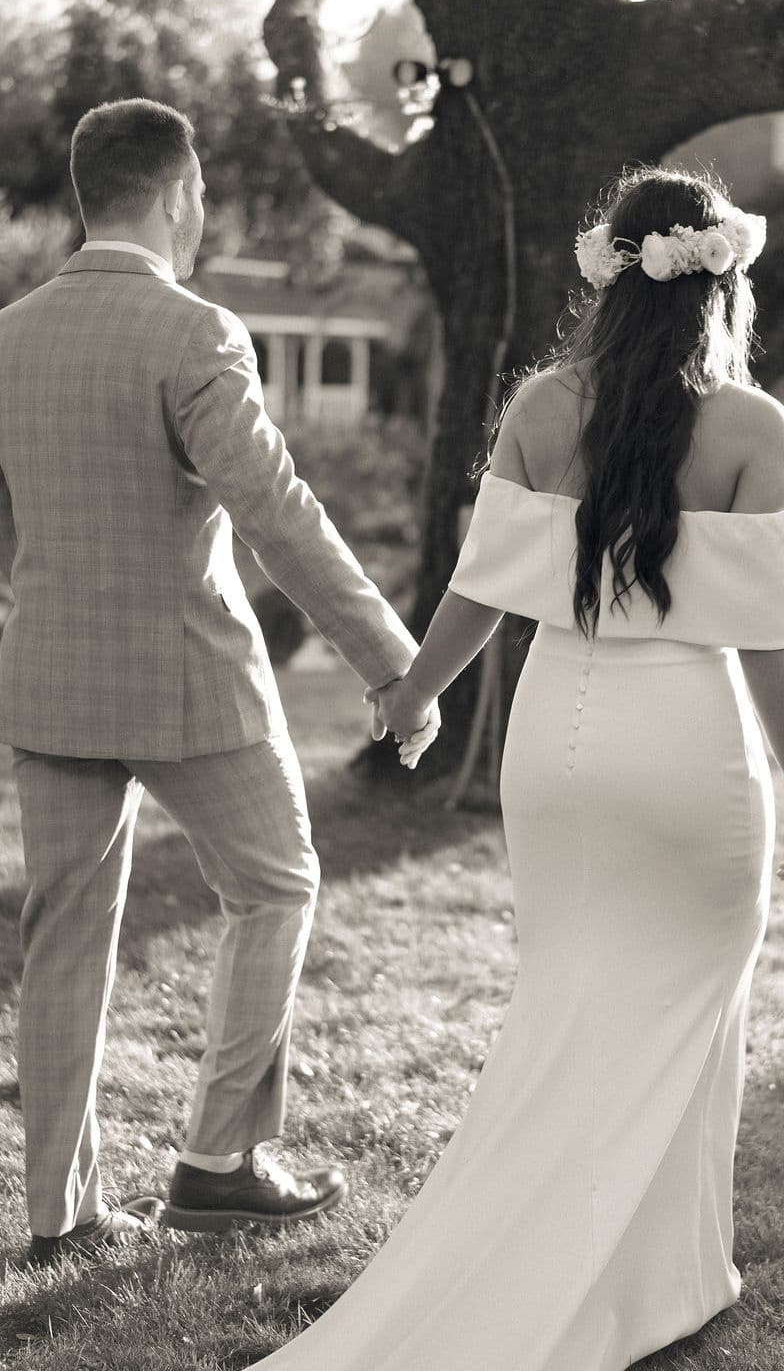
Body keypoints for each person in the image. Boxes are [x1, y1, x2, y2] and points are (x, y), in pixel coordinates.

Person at [247, 166, 784, 1370]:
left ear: (607, 273)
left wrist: (415, 694)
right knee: (679, 1010)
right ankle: (640, 1280)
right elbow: (767, 634)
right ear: (720, 278)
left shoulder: (540, 407)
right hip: (686, 746)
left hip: (555, 741)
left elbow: (476, 590)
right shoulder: (752, 429)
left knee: (566, 1002)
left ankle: (635, 1266)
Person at [0, 98, 439, 1269]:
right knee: (279, 884)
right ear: (178, 192)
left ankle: (58, 1216)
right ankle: (217, 1164)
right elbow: (277, 512)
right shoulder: (193, 330)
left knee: (62, 935)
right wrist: (394, 661)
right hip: (189, 680)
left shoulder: (11, 334)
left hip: (48, 681)